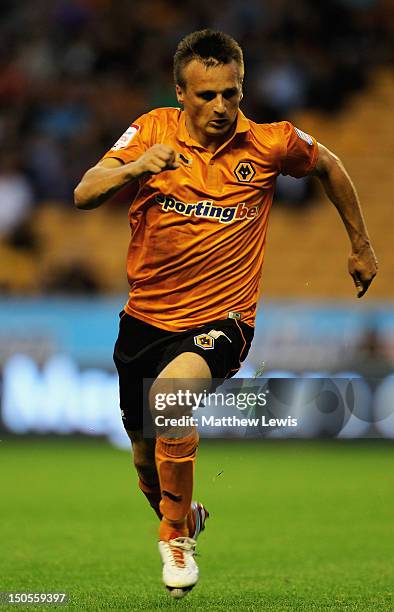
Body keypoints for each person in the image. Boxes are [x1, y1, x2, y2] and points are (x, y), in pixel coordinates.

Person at [74, 29, 378, 598]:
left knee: (170, 400)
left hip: (223, 322)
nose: (220, 107)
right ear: (180, 93)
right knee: (144, 453)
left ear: (242, 89)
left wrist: (360, 244)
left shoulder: (270, 143)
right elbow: (84, 193)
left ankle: (175, 540)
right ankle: (182, 515)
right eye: (206, 95)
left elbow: (329, 165)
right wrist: (134, 168)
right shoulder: (151, 131)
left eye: (231, 94)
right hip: (144, 321)